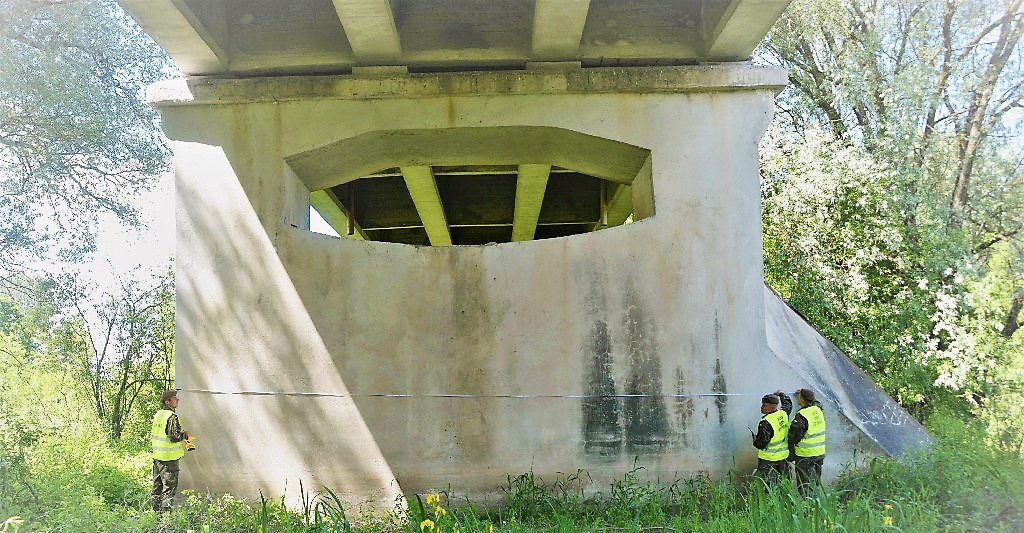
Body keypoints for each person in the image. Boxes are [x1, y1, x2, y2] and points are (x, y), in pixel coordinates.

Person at [151, 389, 191, 512]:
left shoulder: (158, 414)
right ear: (167, 402)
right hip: (169, 459)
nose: (177, 400)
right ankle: (166, 518)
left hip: (158, 457)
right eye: (174, 398)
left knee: (157, 487)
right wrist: (184, 435)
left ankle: (156, 515)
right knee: (169, 488)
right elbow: (174, 437)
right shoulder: (171, 416)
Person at [789, 387, 826, 494]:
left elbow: (793, 437)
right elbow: (817, 402)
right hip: (819, 454)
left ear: (802, 399)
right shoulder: (817, 409)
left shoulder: (802, 416)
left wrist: (790, 455)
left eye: (799, 397)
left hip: (805, 456)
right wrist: (805, 392)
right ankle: (816, 502)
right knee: (815, 482)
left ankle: (807, 503)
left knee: (804, 485)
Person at [751, 390, 792, 485]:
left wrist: (755, 441)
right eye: (762, 404)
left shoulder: (765, 423)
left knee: (769, 487)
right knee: (784, 484)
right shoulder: (783, 413)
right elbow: (788, 404)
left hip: (768, 460)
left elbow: (761, 444)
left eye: (764, 405)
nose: (761, 407)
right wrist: (781, 394)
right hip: (783, 458)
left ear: (773, 407)